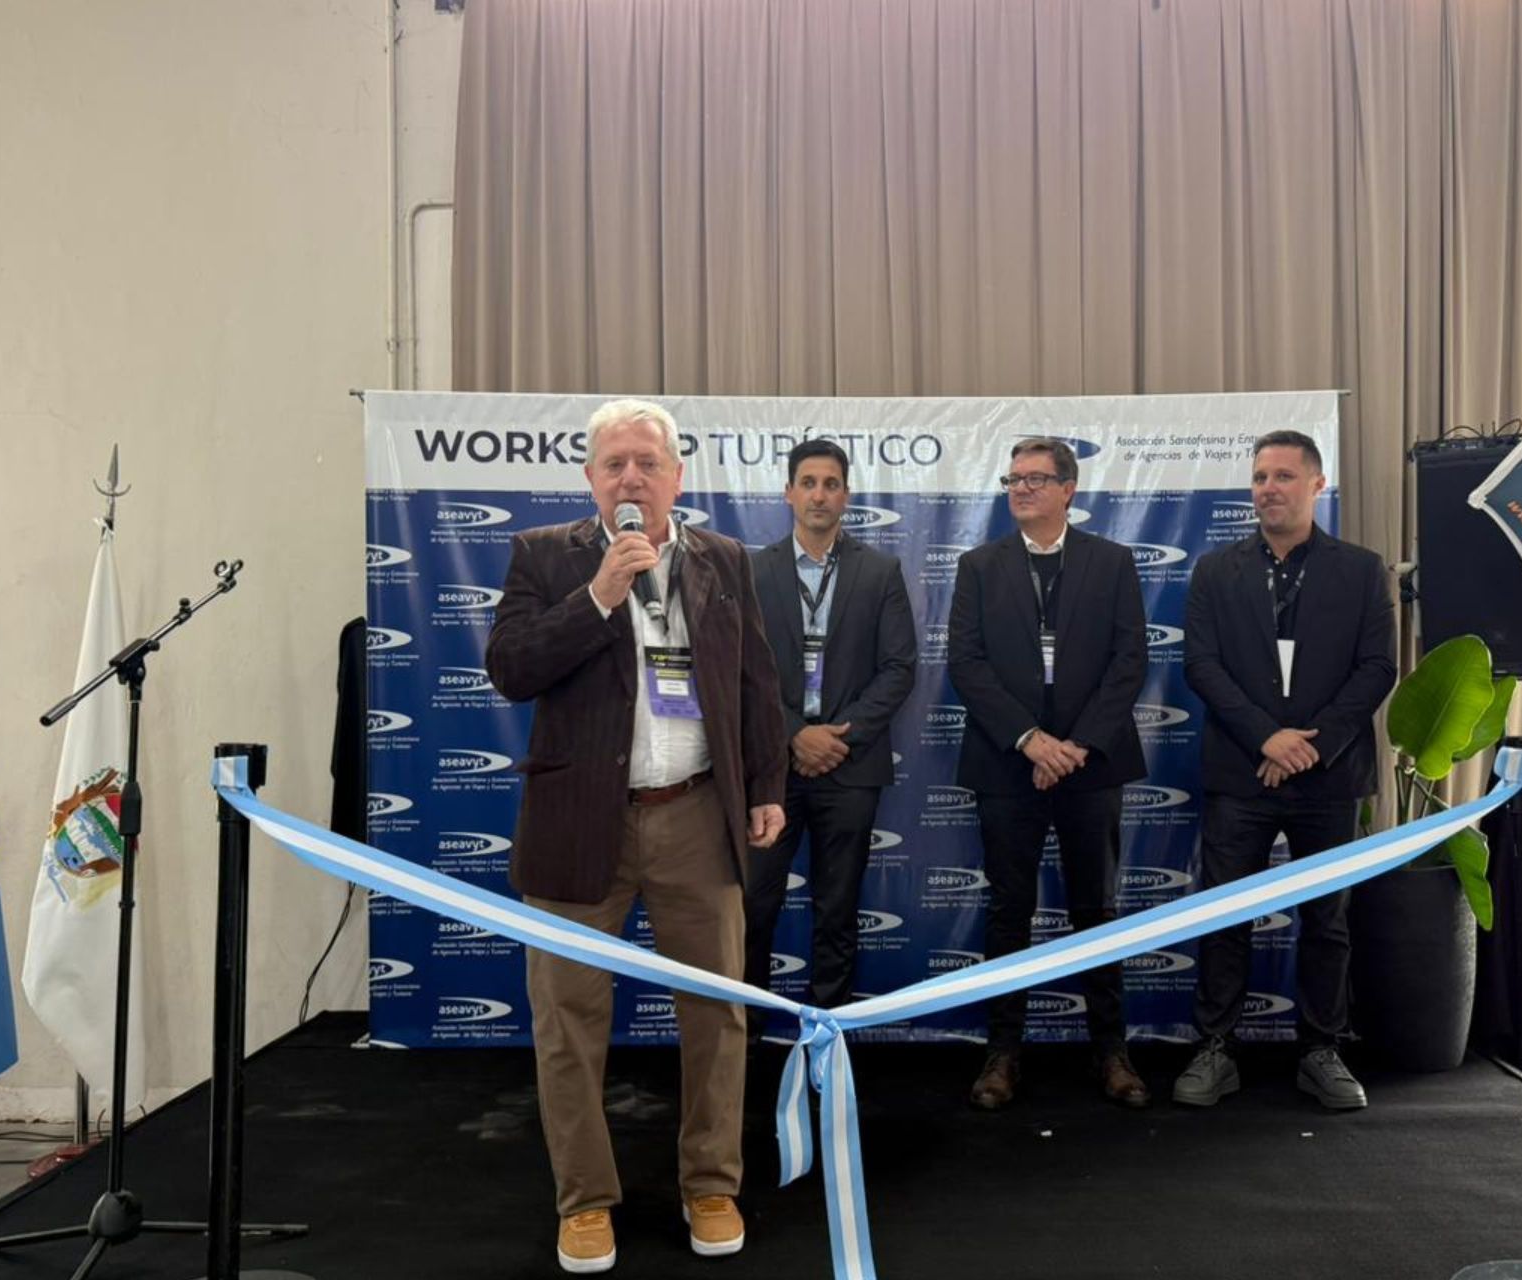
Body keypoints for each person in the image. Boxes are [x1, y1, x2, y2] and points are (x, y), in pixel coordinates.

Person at [485, 398, 788, 1275]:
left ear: (676, 477)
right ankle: (584, 1200)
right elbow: (511, 670)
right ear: (590, 478)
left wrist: (767, 785)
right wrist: (599, 596)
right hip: (581, 820)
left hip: (696, 812)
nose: (631, 478)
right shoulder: (544, 556)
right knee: (568, 1018)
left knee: (717, 1012)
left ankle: (711, 1184)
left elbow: (755, 682)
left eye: (647, 463)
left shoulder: (724, 559)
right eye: (614, 463)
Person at [1174, 429, 1396, 1112]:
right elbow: (1201, 666)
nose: (1268, 488)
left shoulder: (1362, 570)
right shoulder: (1215, 571)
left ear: (1317, 485)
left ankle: (1321, 1049)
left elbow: (1376, 668)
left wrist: (1311, 746)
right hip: (1242, 773)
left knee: (1327, 921)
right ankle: (1216, 1047)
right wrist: (1267, 739)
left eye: (1284, 476)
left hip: (1329, 777)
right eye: (1260, 477)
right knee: (1224, 915)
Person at [946, 437, 1151, 1111]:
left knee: (1097, 910)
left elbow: (1129, 661)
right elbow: (966, 664)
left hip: (1092, 764)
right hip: (1008, 763)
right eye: (1013, 479)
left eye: (1036, 479)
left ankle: (1111, 1051)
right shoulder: (979, 566)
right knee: (1009, 910)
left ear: (1068, 489)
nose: (1022, 489)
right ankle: (1003, 1053)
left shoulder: (1111, 562)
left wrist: (1075, 747)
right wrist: (1033, 742)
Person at [745, 440, 916, 1018]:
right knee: (753, 906)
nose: (819, 495)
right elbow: (740, 669)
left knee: (838, 911)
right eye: (809, 483)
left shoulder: (880, 571)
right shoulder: (753, 571)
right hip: (772, 768)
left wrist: (838, 739)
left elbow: (899, 668)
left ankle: (827, 1039)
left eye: (831, 484)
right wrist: (795, 733)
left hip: (850, 766)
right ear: (788, 493)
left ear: (846, 495)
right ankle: (744, 1043)